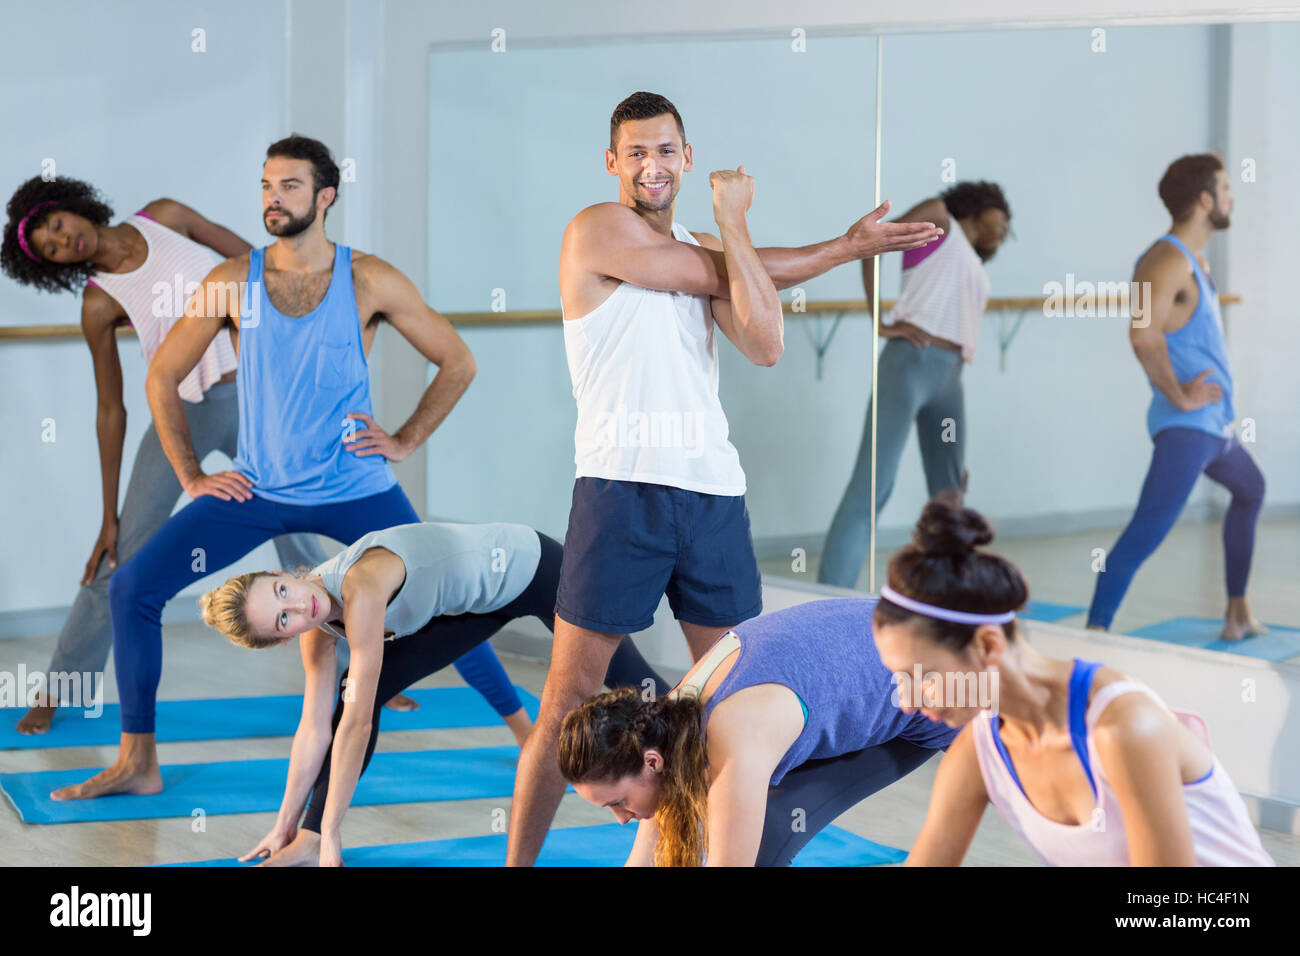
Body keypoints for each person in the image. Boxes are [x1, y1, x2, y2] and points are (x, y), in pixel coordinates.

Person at [506, 90, 945, 865]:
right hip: (622, 490)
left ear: (688, 158)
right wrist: (762, 241)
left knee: (738, 699)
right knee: (569, 698)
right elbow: (717, 270)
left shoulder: (712, 247)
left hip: (712, 496)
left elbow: (765, 339)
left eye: (666, 149)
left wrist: (845, 246)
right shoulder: (596, 230)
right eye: (636, 151)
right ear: (613, 162)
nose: (652, 164)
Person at [49, 135, 516, 800]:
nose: (274, 198)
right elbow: (163, 376)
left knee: (441, 603)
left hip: (357, 489)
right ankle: (138, 760)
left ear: (326, 196)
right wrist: (190, 475)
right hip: (260, 492)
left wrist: (406, 439)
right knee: (133, 590)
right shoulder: (233, 280)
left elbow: (459, 360)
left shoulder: (369, 279)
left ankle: (530, 738)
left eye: (290, 186)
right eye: (267, 186)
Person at [0, 176, 332, 734]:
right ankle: (60, 687)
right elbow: (112, 410)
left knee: (298, 528)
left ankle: (353, 666)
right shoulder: (99, 302)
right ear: (53, 267)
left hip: (257, 393)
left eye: (58, 226)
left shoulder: (165, 215)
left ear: (72, 209)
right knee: (121, 555)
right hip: (186, 411)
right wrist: (109, 516)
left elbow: (253, 261)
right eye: (52, 249)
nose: (65, 242)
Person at [198, 521, 667, 866]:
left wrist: (336, 832)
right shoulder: (316, 629)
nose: (299, 604)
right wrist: (284, 825)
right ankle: (307, 837)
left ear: (284, 574)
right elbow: (313, 728)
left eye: (282, 590)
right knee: (351, 696)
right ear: (282, 638)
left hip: (537, 569)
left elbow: (358, 722)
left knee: (639, 685)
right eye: (284, 618)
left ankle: (708, 752)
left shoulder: (359, 587)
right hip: (475, 605)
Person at [873, 500, 1274, 866]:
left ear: (987, 644)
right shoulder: (978, 753)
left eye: (922, 676)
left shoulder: (1123, 727)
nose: (907, 703)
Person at [558, 597, 956, 866]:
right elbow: (642, 857)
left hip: (945, 682)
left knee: (766, 838)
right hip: (901, 645)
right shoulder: (667, 720)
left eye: (618, 802)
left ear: (652, 761)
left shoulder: (734, 738)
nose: (622, 819)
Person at [1086, 154, 1265, 640]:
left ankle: (1237, 614)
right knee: (1146, 531)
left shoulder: (1194, 262)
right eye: (1226, 188)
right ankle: (1094, 633)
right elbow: (1143, 336)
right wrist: (1182, 396)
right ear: (1205, 199)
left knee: (1251, 488)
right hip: (1188, 427)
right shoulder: (1163, 261)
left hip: (1213, 425)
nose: (1232, 197)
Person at [819, 181, 1010, 589]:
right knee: (872, 487)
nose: (1007, 226)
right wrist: (881, 322)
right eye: (1002, 214)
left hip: (951, 376)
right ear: (979, 206)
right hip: (910, 363)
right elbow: (870, 245)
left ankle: (949, 599)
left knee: (951, 494)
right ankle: (828, 595)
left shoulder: (973, 262)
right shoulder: (940, 217)